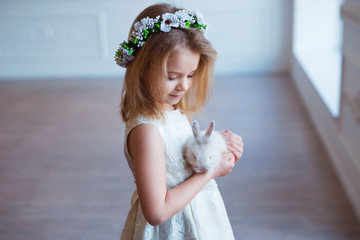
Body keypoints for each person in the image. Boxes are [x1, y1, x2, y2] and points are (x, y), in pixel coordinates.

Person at [115, 3, 244, 239]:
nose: (184, 85)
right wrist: (211, 171)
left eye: (191, 75)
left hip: (198, 217)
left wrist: (213, 144)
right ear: (142, 68)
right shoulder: (146, 130)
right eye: (172, 76)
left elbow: (173, 152)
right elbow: (156, 211)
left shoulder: (169, 107)